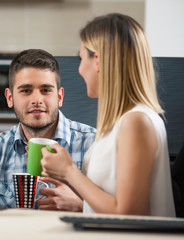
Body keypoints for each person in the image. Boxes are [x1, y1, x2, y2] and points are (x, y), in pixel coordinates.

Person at [41, 13, 175, 216]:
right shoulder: (120, 123)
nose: (78, 69)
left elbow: (128, 213)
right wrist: (67, 178)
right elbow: (109, 197)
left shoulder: (136, 122)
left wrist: (70, 171)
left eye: (81, 58)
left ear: (98, 61)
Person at [0, 49, 96, 210]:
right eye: (26, 91)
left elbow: (124, 210)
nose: (36, 100)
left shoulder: (93, 144)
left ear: (60, 97)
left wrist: (82, 206)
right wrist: (3, 215)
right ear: (10, 98)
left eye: (46, 90)